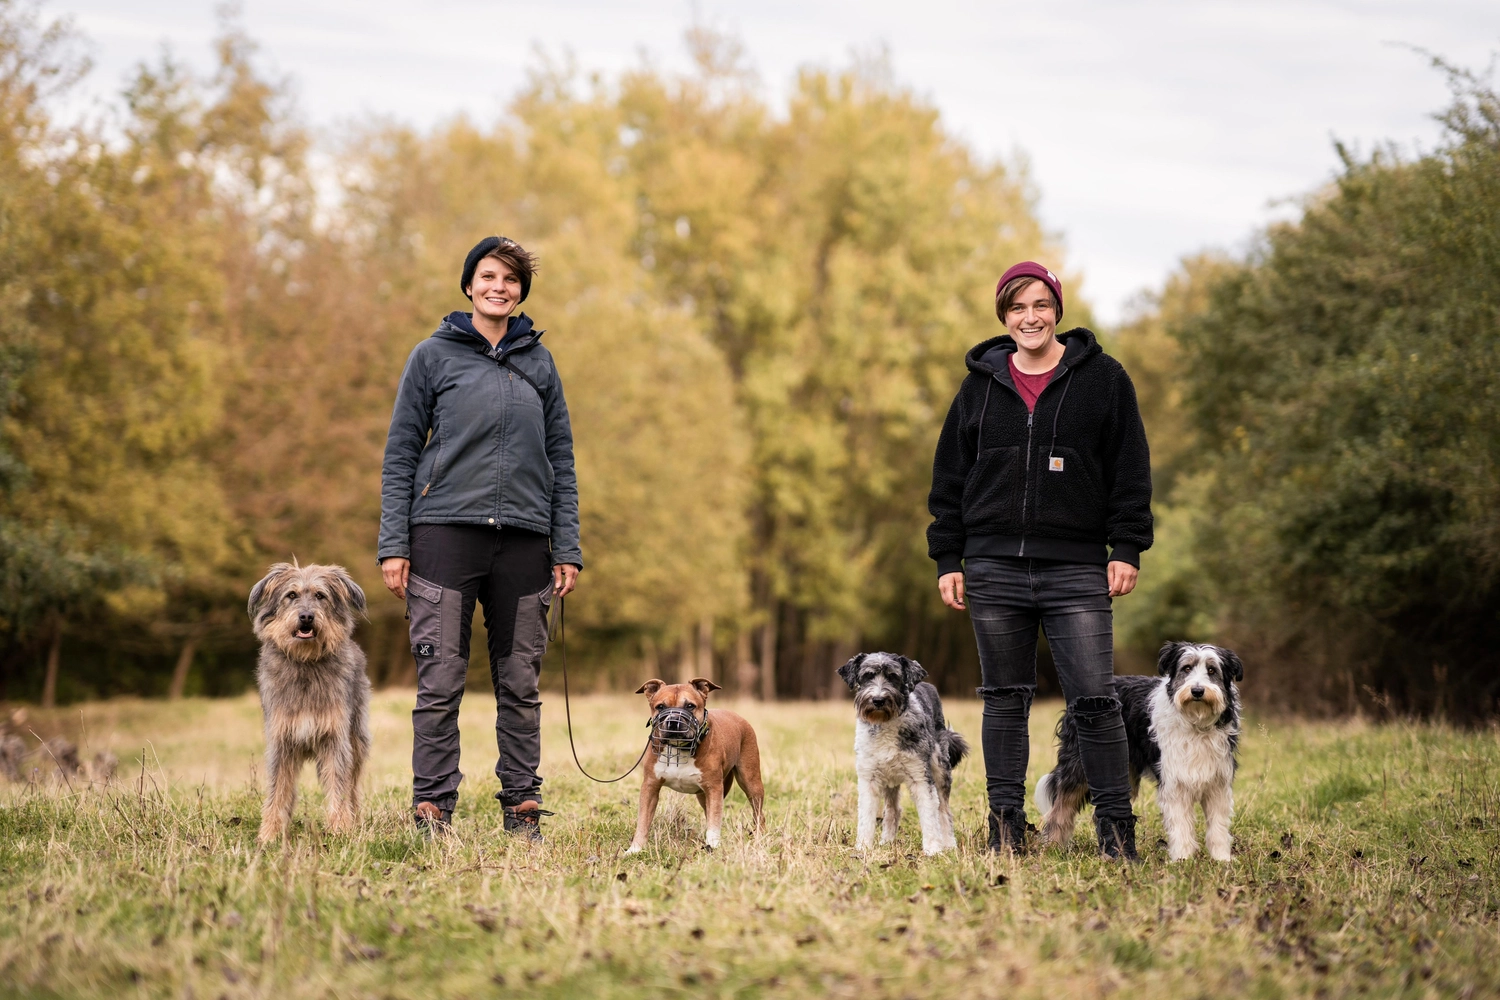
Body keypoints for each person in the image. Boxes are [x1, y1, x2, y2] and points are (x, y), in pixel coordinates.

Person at [926, 261, 1152, 859]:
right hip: (993, 567)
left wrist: (1125, 545)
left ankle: (1115, 834)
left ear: (1057, 310)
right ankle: (1005, 831)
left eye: (1041, 305)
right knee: (1004, 699)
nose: (1031, 317)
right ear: (1005, 316)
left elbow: (1131, 468)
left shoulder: (1103, 379)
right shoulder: (979, 386)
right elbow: (948, 479)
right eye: (1018, 307)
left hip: (1077, 569)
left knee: (1096, 701)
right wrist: (949, 556)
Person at [377, 236, 582, 841]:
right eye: (488, 276)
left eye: (512, 279)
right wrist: (395, 543)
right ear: (469, 284)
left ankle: (522, 809)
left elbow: (561, 460)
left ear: (521, 292)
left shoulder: (540, 363)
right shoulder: (432, 357)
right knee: (439, 683)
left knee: (519, 684)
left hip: (524, 542)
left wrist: (565, 545)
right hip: (441, 534)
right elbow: (400, 454)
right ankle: (433, 811)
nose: (500, 287)